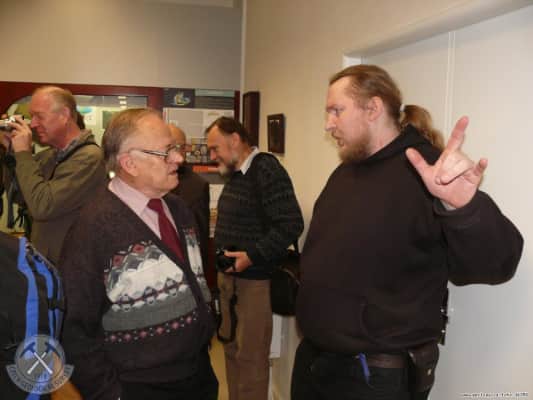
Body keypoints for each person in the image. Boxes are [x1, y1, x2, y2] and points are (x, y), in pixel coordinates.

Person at [291, 64, 523, 400]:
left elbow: (498, 264)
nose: (328, 124)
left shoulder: (429, 172)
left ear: (373, 108)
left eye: (336, 111)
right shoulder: (345, 173)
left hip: (373, 377)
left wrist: (464, 207)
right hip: (315, 361)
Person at [59, 108, 217, 400]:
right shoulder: (93, 228)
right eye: (166, 152)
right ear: (130, 163)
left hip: (197, 375)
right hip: (137, 386)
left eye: (175, 149)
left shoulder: (180, 210)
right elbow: (74, 330)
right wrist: (110, 394)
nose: (179, 158)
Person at [206, 117, 304, 400]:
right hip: (230, 282)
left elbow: (291, 224)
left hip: (254, 285)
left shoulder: (266, 169)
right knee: (231, 351)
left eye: (215, 148)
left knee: (251, 360)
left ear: (235, 140)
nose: (212, 156)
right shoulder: (237, 173)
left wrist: (252, 256)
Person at [0, 86, 106, 264]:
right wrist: (11, 150)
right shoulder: (49, 157)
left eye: (39, 116)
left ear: (64, 115)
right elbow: (21, 196)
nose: (33, 124)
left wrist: (24, 154)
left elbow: (42, 207)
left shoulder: (89, 158)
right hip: (45, 260)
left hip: (71, 265)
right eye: (31, 117)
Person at [168, 123, 210, 270]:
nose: (173, 153)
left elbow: (200, 238)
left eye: (177, 147)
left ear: (185, 149)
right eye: (168, 147)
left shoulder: (197, 185)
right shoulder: (151, 179)